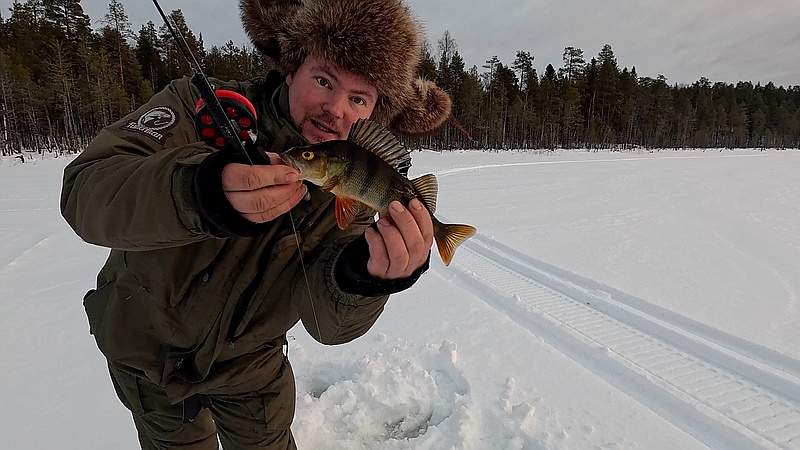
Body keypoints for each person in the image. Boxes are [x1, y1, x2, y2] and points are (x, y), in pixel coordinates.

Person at [59, 0, 451, 448]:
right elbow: (85, 192)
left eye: (358, 98)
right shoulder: (199, 106)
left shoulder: (352, 199)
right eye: (324, 80)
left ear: (375, 108)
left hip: (253, 372)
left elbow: (329, 327)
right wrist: (198, 190)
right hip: (146, 356)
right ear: (292, 67)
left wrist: (363, 278)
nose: (334, 108)